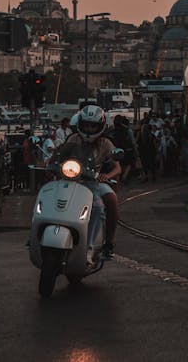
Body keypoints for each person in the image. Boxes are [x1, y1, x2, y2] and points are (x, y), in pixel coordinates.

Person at [58, 105, 121, 258]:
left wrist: (107, 176)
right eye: (86, 124)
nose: (89, 128)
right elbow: (59, 155)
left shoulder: (106, 143)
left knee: (110, 201)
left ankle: (106, 243)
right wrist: (50, 162)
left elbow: (117, 167)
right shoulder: (73, 139)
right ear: (80, 124)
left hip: (95, 182)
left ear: (100, 126)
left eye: (93, 125)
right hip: (72, 181)